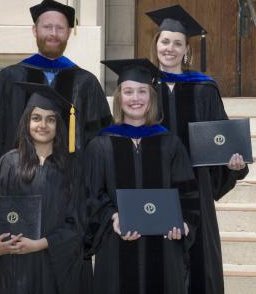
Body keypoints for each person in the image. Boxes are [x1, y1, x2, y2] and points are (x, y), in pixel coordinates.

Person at [0, 0, 112, 197]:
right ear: (35, 30)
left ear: (69, 32)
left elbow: (100, 140)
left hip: (70, 192)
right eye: (47, 27)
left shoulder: (86, 82)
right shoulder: (9, 78)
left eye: (60, 28)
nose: (53, 33)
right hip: (17, 186)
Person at [146, 4, 249, 294]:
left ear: (186, 50)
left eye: (177, 43)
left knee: (200, 259)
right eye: (165, 41)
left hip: (196, 185)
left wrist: (233, 163)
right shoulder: (144, 89)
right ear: (156, 45)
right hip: (155, 184)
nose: (170, 48)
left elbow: (222, 139)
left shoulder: (204, 88)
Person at [84, 58, 200, 294]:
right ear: (119, 97)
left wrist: (183, 223)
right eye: (128, 92)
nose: (135, 98)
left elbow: (188, 194)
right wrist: (112, 218)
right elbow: (89, 195)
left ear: (151, 98)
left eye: (141, 91)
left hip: (164, 248)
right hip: (116, 246)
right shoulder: (101, 145)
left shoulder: (170, 144)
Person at [0, 84, 92, 294]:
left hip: (57, 266)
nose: (43, 125)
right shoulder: (9, 162)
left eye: (51, 119)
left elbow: (79, 220)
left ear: (59, 125)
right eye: (36, 118)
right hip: (16, 266)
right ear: (26, 122)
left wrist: (40, 244)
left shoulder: (73, 165)